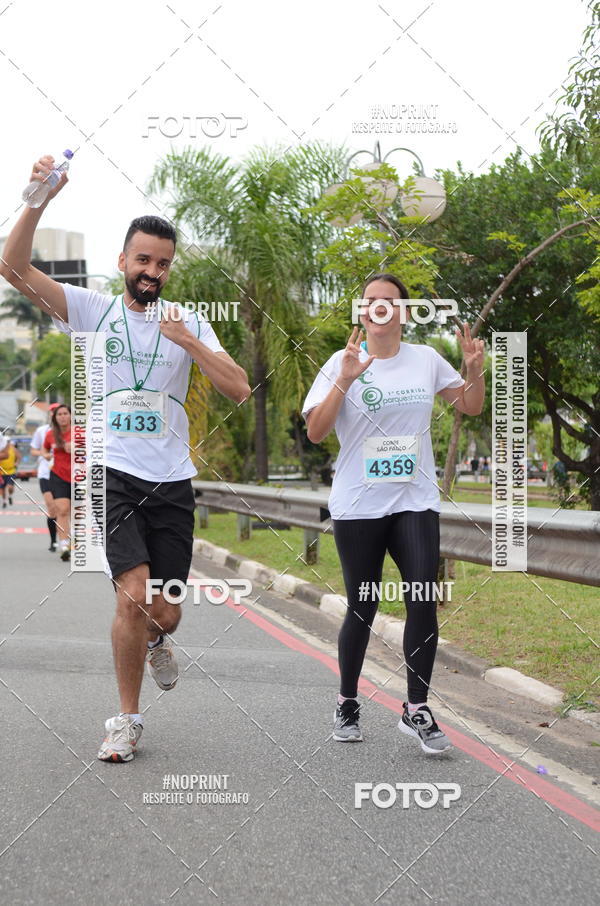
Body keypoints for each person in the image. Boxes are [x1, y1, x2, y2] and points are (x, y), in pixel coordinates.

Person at [0, 154, 251, 763]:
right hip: (113, 474)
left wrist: (190, 342)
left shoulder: (186, 321)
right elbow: (12, 267)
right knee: (131, 596)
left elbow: (240, 387)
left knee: (164, 608)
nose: (152, 271)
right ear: (123, 262)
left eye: (162, 263)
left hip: (172, 481)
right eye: (142, 260)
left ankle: (159, 641)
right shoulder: (93, 310)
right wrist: (40, 197)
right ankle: (127, 720)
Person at [303, 274, 485, 754]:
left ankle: (417, 708)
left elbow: (469, 403)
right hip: (359, 506)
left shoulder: (425, 359)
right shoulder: (338, 363)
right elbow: (317, 433)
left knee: (422, 597)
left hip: (414, 500)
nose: (379, 308)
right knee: (363, 606)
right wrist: (344, 379)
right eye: (370, 302)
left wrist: (475, 369)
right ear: (362, 312)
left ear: (404, 312)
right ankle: (347, 701)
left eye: (389, 302)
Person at [42, 404, 74, 560]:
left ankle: (74, 538)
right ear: (55, 418)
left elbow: (95, 450)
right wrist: (46, 455)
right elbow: (44, 449)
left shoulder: (80, 433)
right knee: (62, 510)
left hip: (79, 475)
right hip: (58, 475)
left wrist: (77, 448)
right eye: (59, 414)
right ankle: (64, 545)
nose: (62, 416)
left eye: (65, 413)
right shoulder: (50, 434)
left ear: (70, 415)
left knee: (77, 512)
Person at [31, 403, 60, 551]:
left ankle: (66, 540)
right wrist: (44, 454)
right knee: (52, 507)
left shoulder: (73, 432)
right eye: (54, 412)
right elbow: (33, 450)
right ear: (50, 415)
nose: (57, 415)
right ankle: (53, 541)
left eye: (61, 412)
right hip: (45, 473)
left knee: (64, 509)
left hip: (64, 474)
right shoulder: (42, 431)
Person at [0, 439, 21, 507]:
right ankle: (4, 501)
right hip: (2, 472)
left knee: (10, 487)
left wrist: (17, 463)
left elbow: (19, 457)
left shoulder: (13, 449)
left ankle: (10, 496)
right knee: (2, 488)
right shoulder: (1, 449)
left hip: (11, 471)